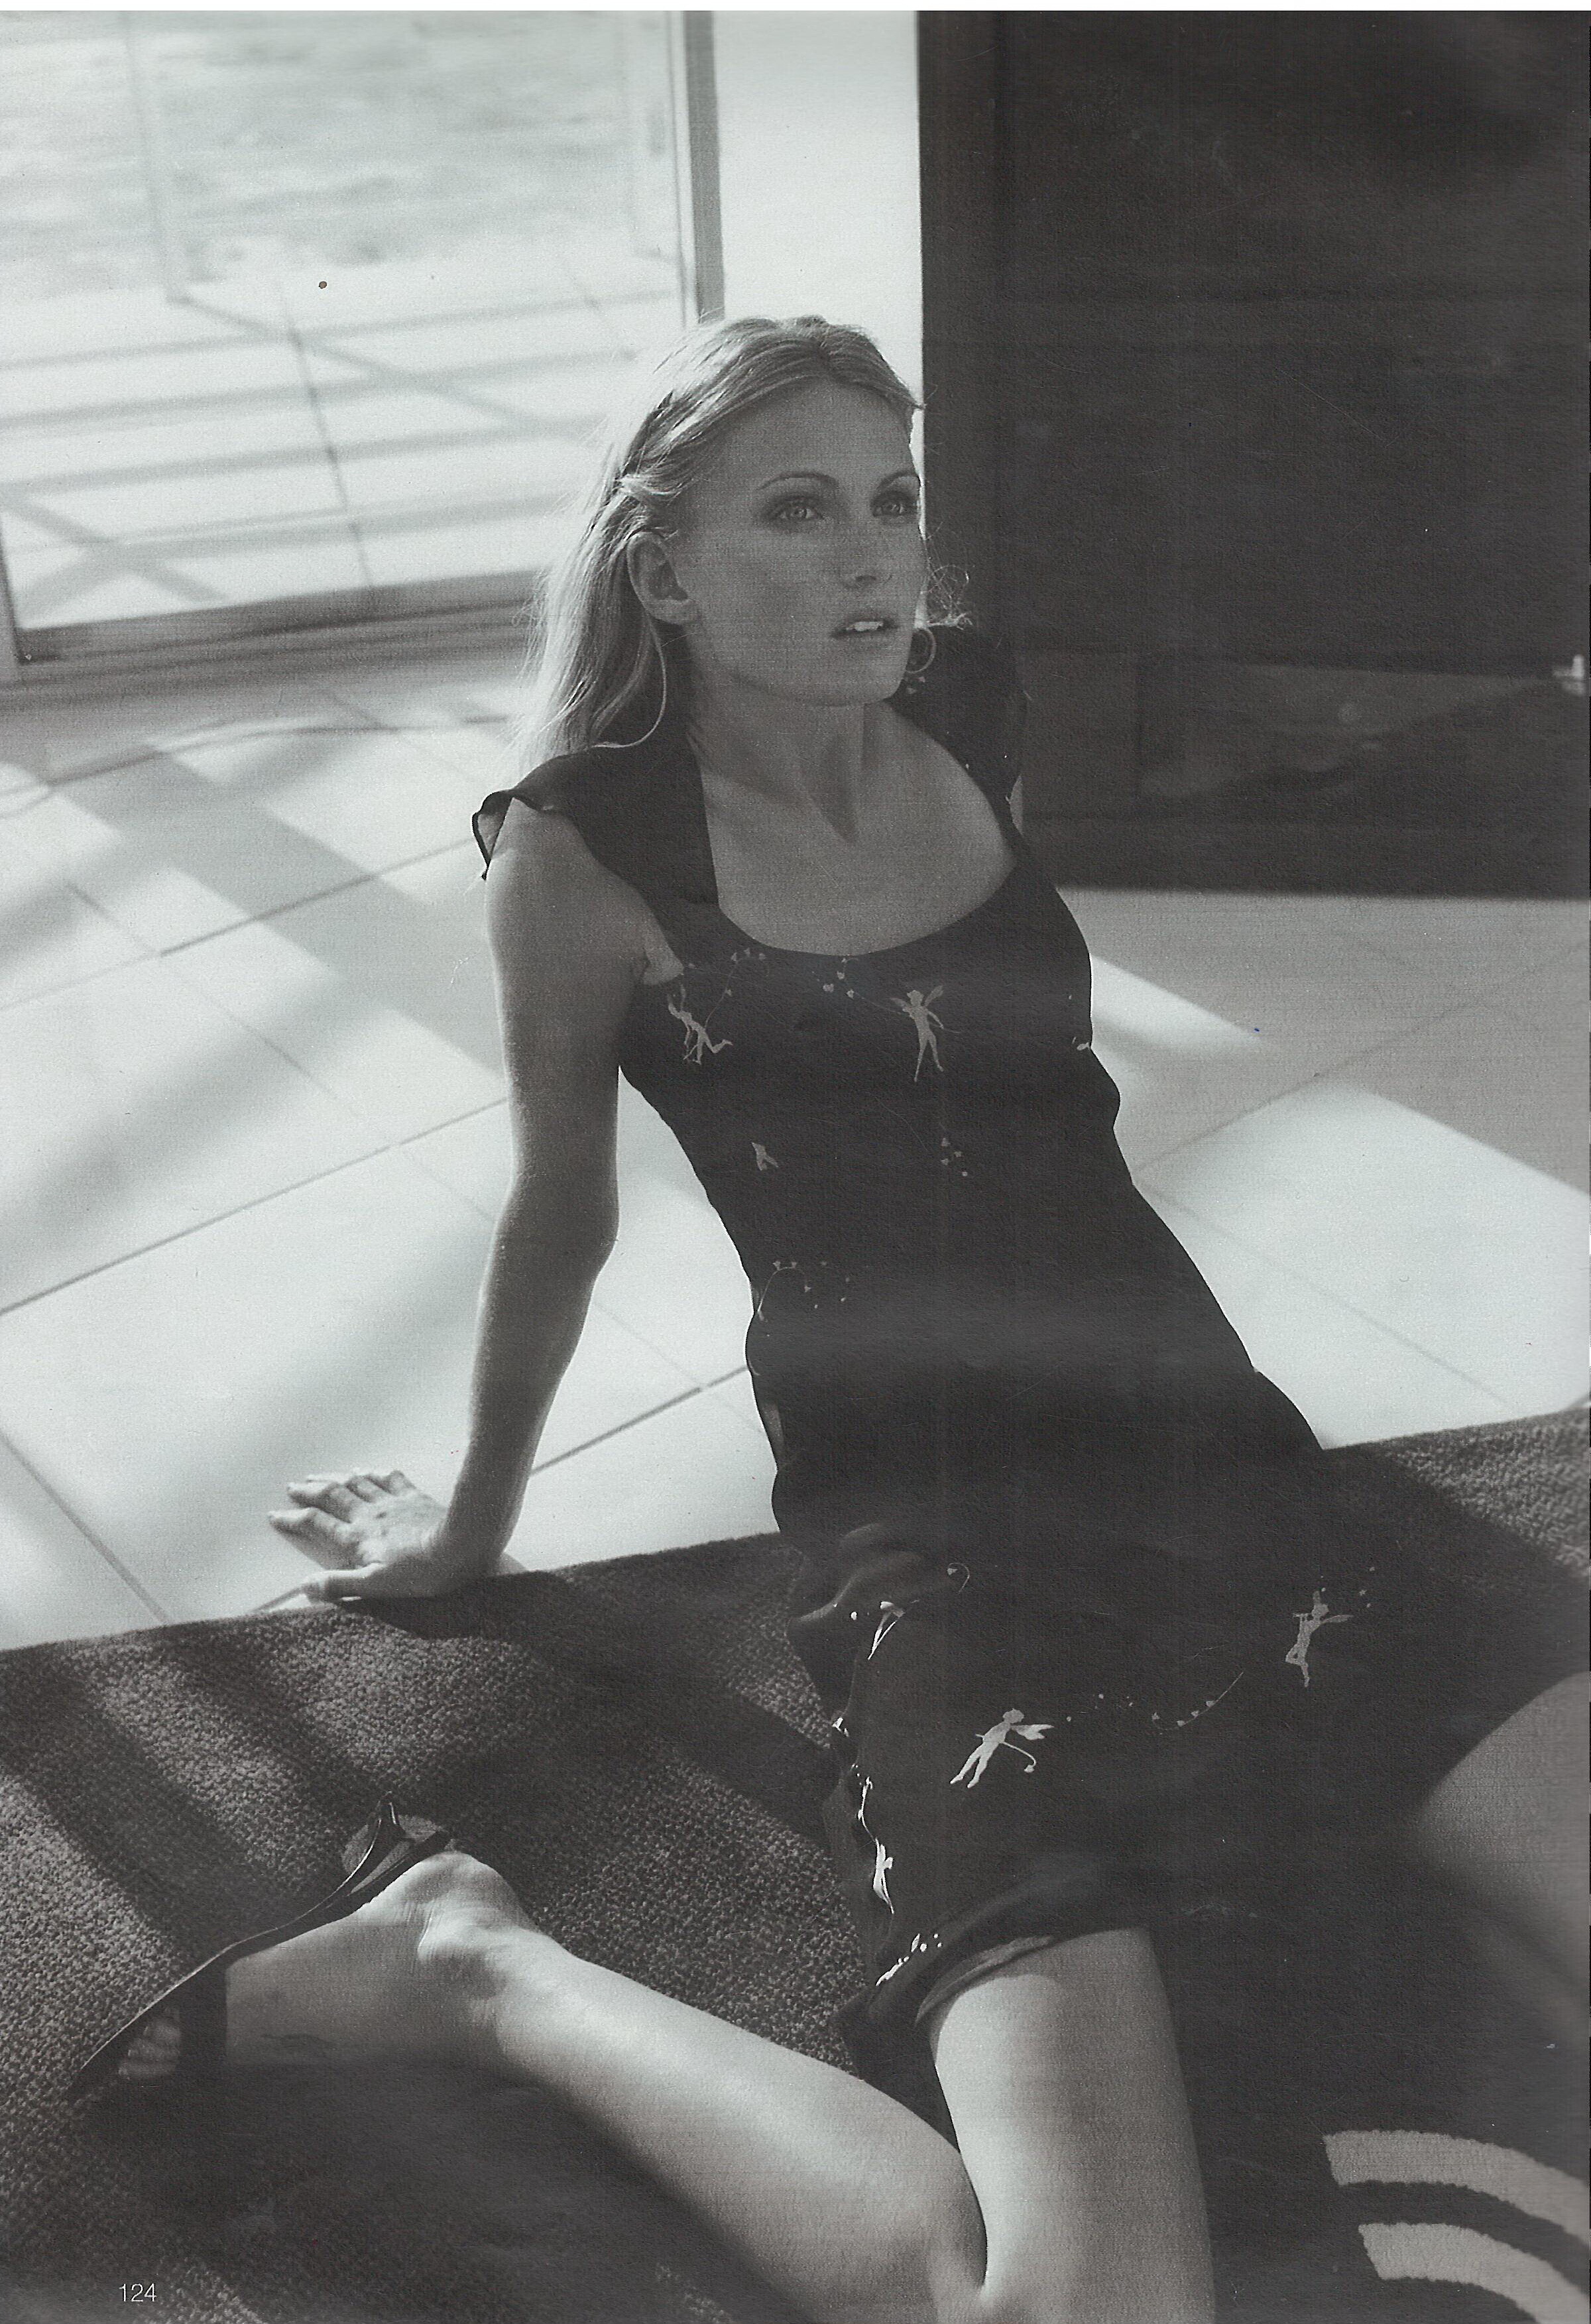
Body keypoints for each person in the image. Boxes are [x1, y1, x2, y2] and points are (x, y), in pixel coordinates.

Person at [101, 318, 1587, 2324]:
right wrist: (467, 1529)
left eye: (893, 499)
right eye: (799, 512)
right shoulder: (579, 852)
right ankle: (476, 1964)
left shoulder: (967, 698)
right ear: (666, 568)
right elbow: (560, 1209)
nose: (877, 556)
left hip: (1218, 1452)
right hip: (945, 1540)